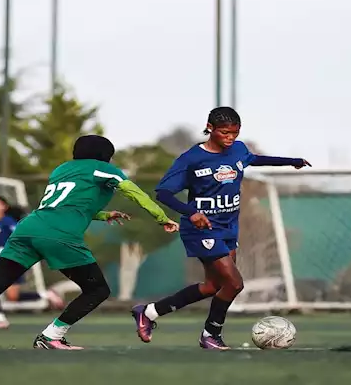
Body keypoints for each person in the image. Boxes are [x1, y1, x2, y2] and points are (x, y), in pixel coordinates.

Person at [0, 135, 179, 350]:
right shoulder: (105, 169)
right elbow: (134, 192)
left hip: (29, 228)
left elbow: (64, 204)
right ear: (105, 156)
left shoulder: (62, 170)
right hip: (59, 234)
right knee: (97, 290)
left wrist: (104, 214)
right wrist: (161, 217)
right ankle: (52, 336)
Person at [130, 107, 310, 350]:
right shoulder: (191, 159)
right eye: (225, 132)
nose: (230, 138)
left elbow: (254, 159)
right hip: (202, 229)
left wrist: (291, 162)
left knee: (213, 286)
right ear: (210, 128)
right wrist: (191, 213)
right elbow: (162, 192)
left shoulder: (238, 149)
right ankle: (210, 334)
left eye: (235, 133)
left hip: (228, 227)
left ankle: (149, 313)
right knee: (235, 284)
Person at [0, 195, 64, 330]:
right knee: (10, 296)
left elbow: (21, 235)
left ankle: (2, 318)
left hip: (11, 260)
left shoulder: (8, 221)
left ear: (4, 206)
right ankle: (44, 295)